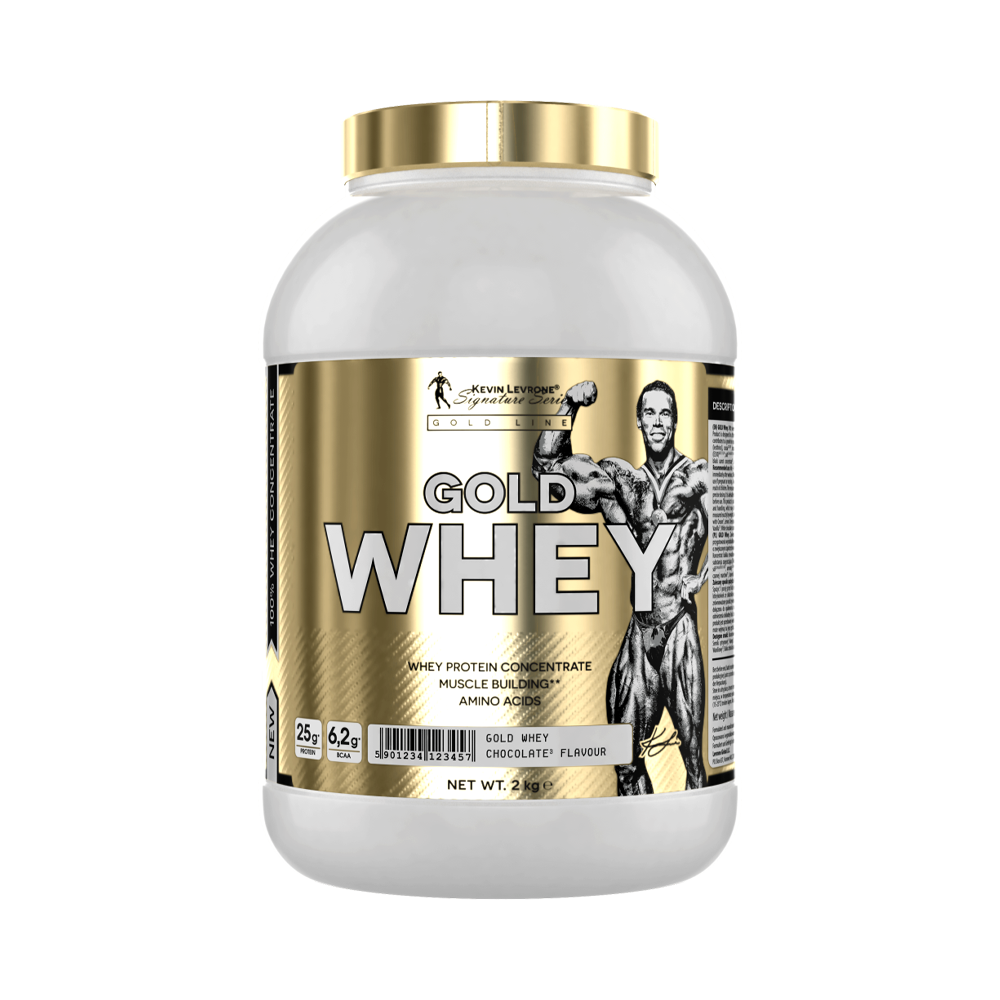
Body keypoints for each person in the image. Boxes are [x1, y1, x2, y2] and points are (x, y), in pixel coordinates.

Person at [533, 379, 709, 793]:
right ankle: (641, 824)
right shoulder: (626, 483)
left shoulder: (699, 477)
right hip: (640, 631)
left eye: (665, 413)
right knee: (623, 760)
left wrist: (703, 576)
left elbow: (741, 522)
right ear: (638, 421)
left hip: (678, 627)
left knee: (693, 761)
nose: (657, 422)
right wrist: (568, 405)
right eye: (649, 413)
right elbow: (548, 471)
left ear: (676, 421)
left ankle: (687, 819)